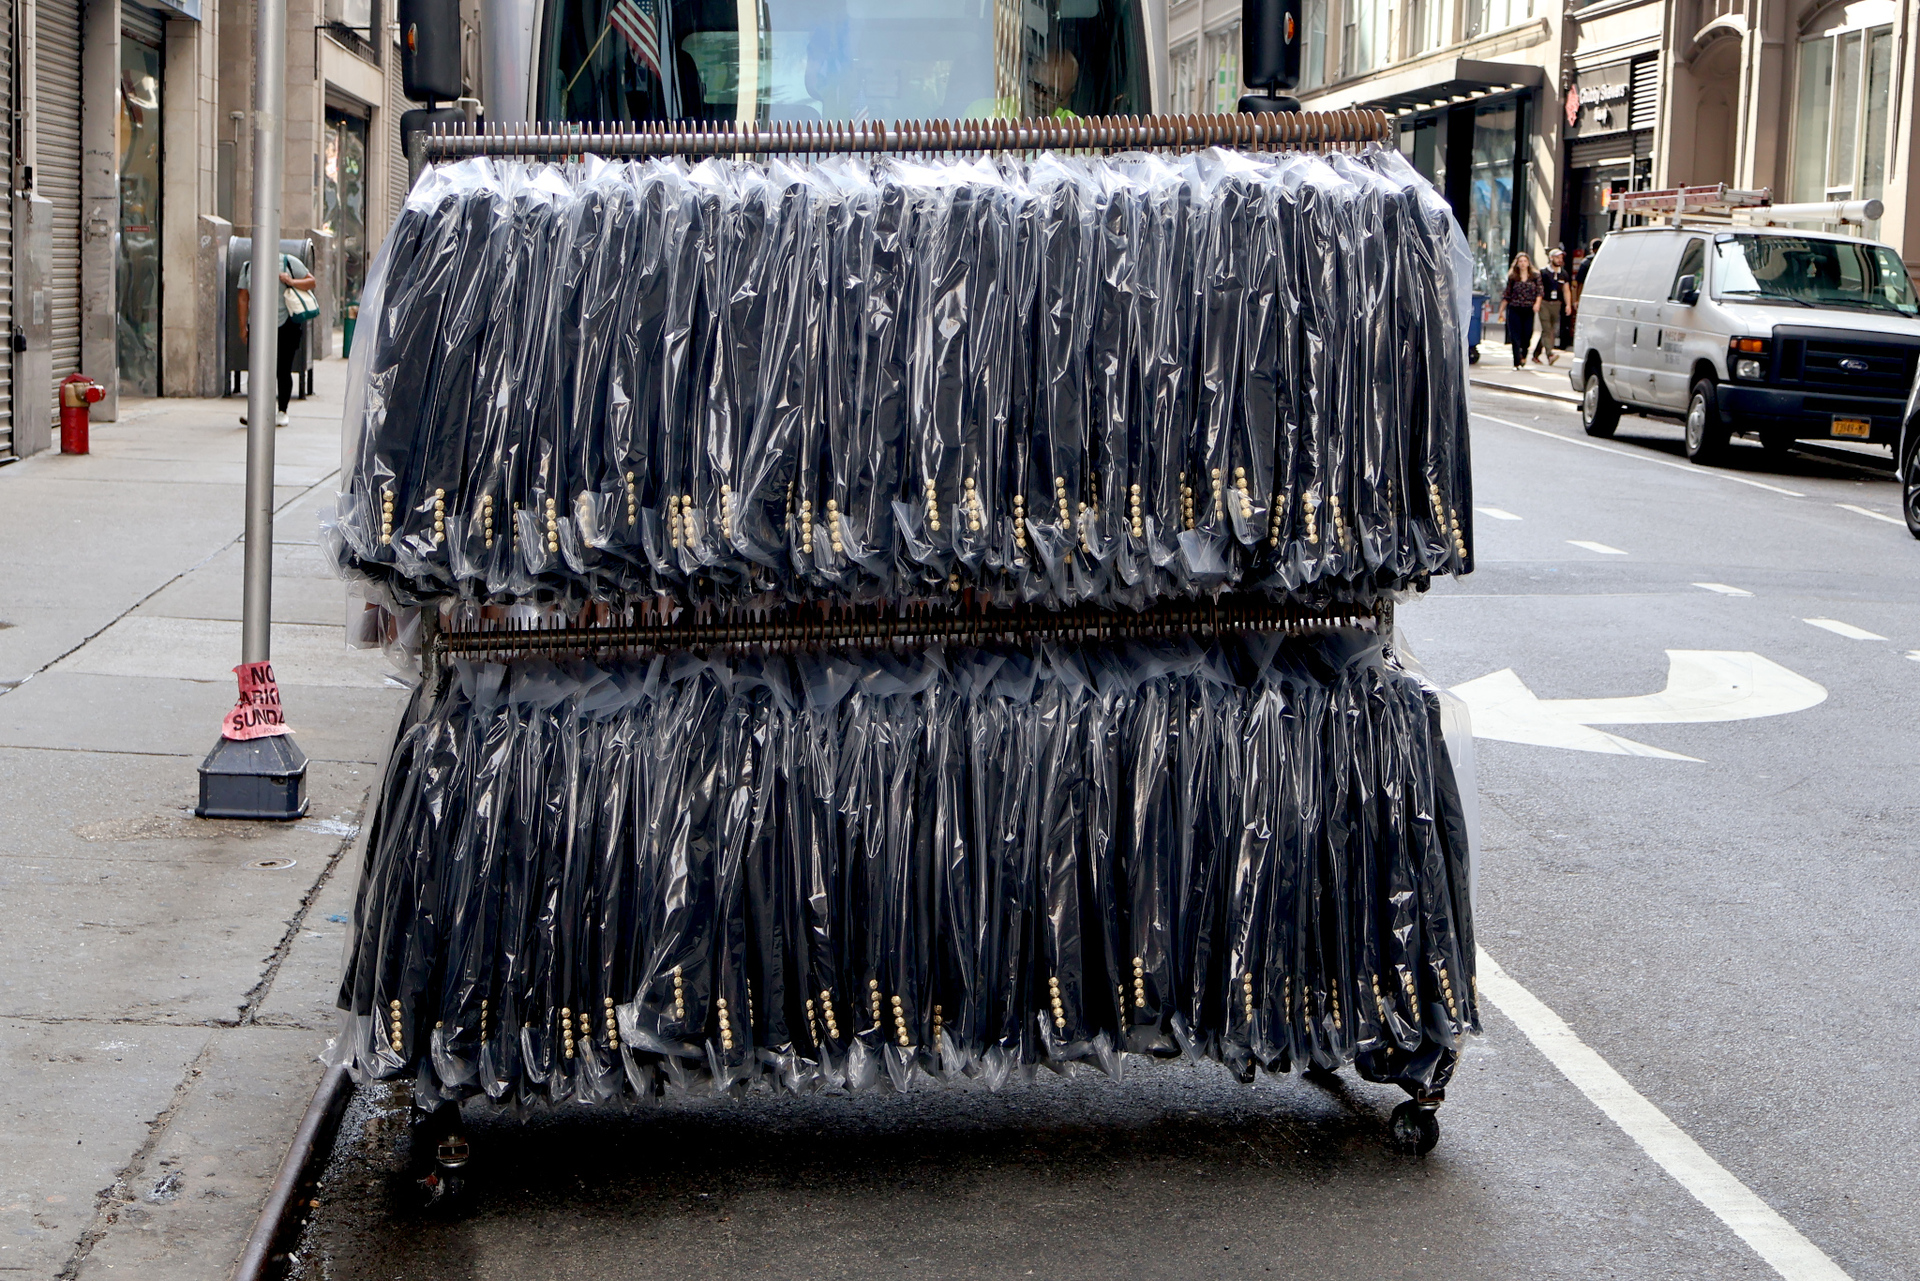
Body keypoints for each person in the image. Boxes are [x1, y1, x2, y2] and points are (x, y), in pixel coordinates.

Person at [237, 249, 316, 427]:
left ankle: (282, 410)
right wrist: (243, 327)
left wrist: (291, 281)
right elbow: (243, 297)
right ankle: (256, 411)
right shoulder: (248, 266)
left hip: (286, 324)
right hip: (257, 326)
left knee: (283, 369)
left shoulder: (288, 262)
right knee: (257, 370)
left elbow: (311, 282)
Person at [1497, 253, 1540, 370]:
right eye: (1520, 261)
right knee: (1515, 336)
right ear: (1517, 263)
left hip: (1528, 308)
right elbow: (1507, 294)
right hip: (1514, 308)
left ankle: (1524, 354)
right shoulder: (1513, 277)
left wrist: (1537, 304)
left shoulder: (1535, 276)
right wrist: (1501, 310)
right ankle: (1516, 362)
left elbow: (1540, 292)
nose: (1522, 263)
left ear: (1528, 263)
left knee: (1527, 334)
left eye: (1525, 261)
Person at [1533, 248, 1567, 365]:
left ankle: (1536, 354)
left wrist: (1568, 305)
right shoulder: (1543, 272)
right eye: (1557, 257)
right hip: (1544, 303)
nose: (1559, 260)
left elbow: (1566, 290)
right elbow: (1538, 289)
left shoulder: (1563, 273)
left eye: (1561, 257)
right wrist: (1537, 303)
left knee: (1548, 330)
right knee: (1547, 329)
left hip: (1556, 304)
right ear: (1551, 258)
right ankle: (1550, 354)